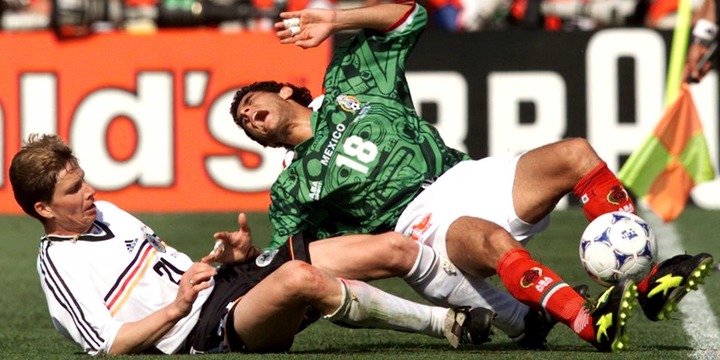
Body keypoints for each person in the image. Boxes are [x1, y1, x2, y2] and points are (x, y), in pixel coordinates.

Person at [228, 0, 715, 352]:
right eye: (245, 124)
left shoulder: (347, 85)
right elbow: (297, 270)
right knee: (490, 240)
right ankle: (590, 323)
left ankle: (649, 282)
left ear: (287, 90)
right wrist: (252, 264)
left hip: (464, 173)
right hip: (419, 223)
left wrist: (335, 18)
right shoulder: (291, 190)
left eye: (251, 104)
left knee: (576, 154)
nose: (249, 118)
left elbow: (407, 13)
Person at [8, 133, 495, 355]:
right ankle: (449, 326)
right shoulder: (60, 266)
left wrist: (233, 258)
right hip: (207, 330)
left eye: (84, 180)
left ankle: (517, 315)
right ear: (44, 210)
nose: (89, 192)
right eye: (73, 191)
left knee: (387, 247)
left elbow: (164, 267)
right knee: (302, 279)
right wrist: (178, 308)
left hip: (226, 285)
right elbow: (107, 346)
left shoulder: (104, 212)